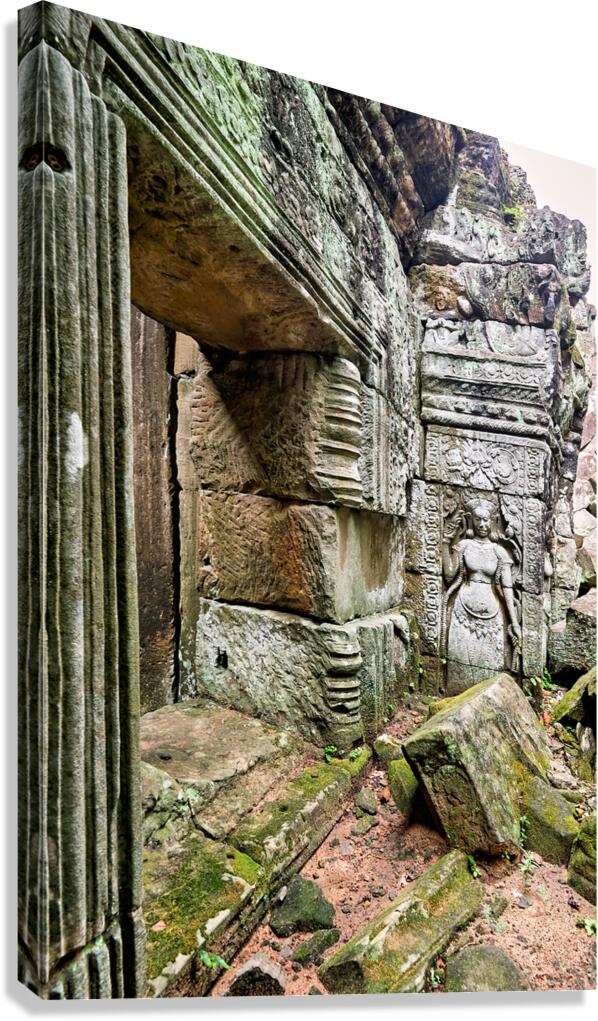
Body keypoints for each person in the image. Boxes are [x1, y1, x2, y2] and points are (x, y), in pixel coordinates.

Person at [442, 498, 521, 694]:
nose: (483, 525)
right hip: (462, 610)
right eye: (478, 520)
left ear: (492, 521)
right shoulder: (465, 546)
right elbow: (450, 574)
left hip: (492, 614)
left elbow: (508, 588)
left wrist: (515, 622)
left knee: (489, 666)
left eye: (486, 520)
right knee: (459, 662)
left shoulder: (499, 552)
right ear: (471, 521)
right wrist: (445, 542)